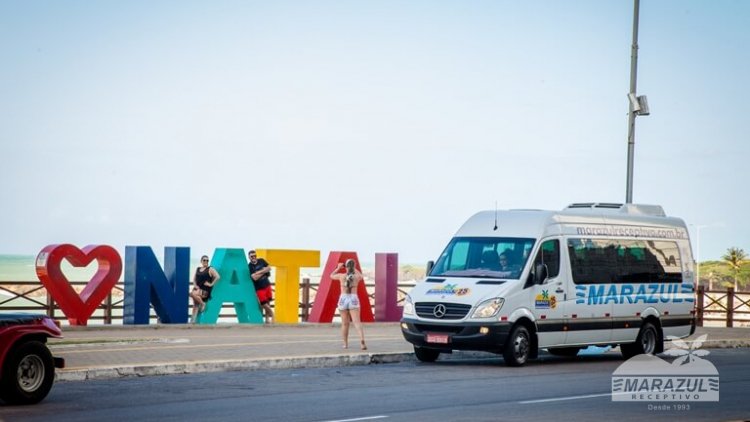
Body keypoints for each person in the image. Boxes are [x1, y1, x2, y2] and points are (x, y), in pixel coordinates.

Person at [330, 259, 367, 350]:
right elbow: (361, 275)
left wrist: (338, 267)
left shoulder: (341, 276)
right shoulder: (357, 277)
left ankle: (345, 344)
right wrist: (354, 268)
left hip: (343, 299)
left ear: (345, 267)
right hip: (353, 299)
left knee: (345, 324)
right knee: (357, 322)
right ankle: (362, 342)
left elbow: (331, 276)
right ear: (353, 266)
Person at [190, 255, 220, 323]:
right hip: (197, 290)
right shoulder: (198, 269)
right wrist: (195, 285)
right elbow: (194, 279)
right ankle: (193, 321)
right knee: (195, 304)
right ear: (201, 261)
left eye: (207, 260)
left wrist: (211, 284)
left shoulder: (210, 269)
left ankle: (203, 304)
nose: (206, 261)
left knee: (191, 294)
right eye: (204, 260)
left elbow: (218, 277)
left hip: (205, 291)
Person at [248, 250, 274, 324]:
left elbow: (269, 268)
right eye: (252, 256)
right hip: (259, 287)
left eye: (255, 256)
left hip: (267, 284)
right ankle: (272, 314)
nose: (254, 257)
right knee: (263, 303)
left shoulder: (261, 260)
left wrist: (258, 272)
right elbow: (254, 278)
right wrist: (264, 271)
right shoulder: (249, 266)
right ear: (249, 257)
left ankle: (267, 319)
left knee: (268, 301)